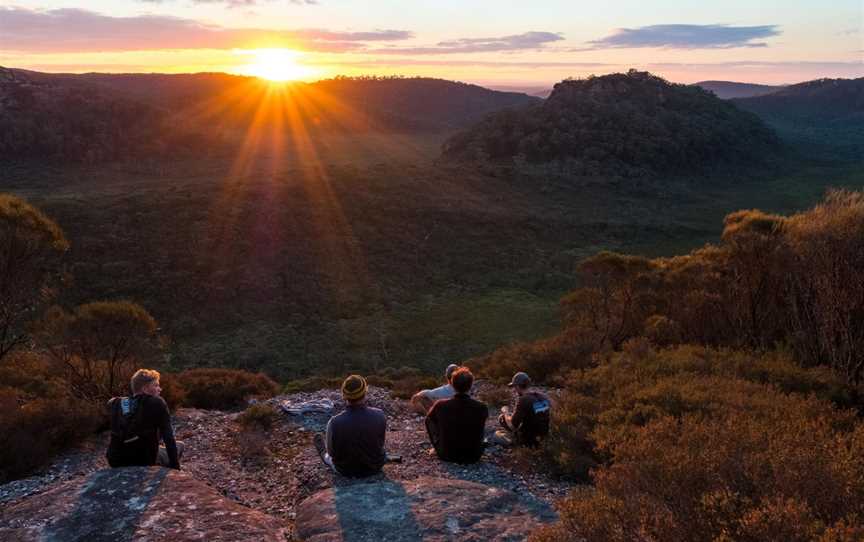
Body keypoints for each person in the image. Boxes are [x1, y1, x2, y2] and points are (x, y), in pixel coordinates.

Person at [106, 369, 182, 470]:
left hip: (115, 460)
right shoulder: (157, 402)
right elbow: (168, 438)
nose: (160, 389)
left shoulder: (115, 403)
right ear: (145, 389)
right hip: (143, 460)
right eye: (156, 385)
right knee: (180, 445)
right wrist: (176, 469)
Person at [314, 375, 387, 477]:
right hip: (375, 467)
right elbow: (381, 443)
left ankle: (322, 452)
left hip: (345, 470)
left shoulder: (334, 422)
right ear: (365, 392)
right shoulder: (380, 415)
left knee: (328, 456)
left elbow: (332, 453)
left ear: (344, 395)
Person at [425, 367, 488, 464]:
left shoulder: (440, 405)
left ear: (452, 385)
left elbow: (428, 420)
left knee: (430, 420)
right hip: (473, 456)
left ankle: (440, 444)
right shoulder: (481, 407)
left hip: (446, 454)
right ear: (470, 386)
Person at [498, 372, 551, 447]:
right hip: (544, 438)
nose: (514, 389)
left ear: (518, 386)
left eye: (514, 386)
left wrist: (505, 413)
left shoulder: (524, 399)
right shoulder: (543, 397)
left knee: (499, 427)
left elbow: (513, 425)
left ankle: (514, 441)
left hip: (529, 441)